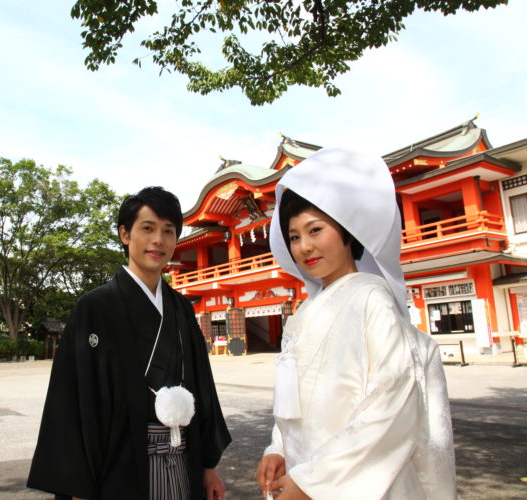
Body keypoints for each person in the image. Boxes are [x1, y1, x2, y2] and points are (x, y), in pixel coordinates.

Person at [256, 148, 456, 499]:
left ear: (348, 231)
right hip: (304, 472)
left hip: (359, 482)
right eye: (294, 236)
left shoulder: (371, 299)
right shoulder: (304, 313)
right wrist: (278, 448)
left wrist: (315, 481)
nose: (304, 247)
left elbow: (393, 401)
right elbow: (296, 399)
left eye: (315, 229)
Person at [27, 186, 231, 500]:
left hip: (183, 458)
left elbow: (202, 387)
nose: (158, 241)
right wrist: (79, 487)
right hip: (117, 466)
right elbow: (73, 401)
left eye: (168, 231)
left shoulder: (181, 308)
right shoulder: (94, 307)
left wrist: (208, 465)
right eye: (147, 229)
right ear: (125, 234)